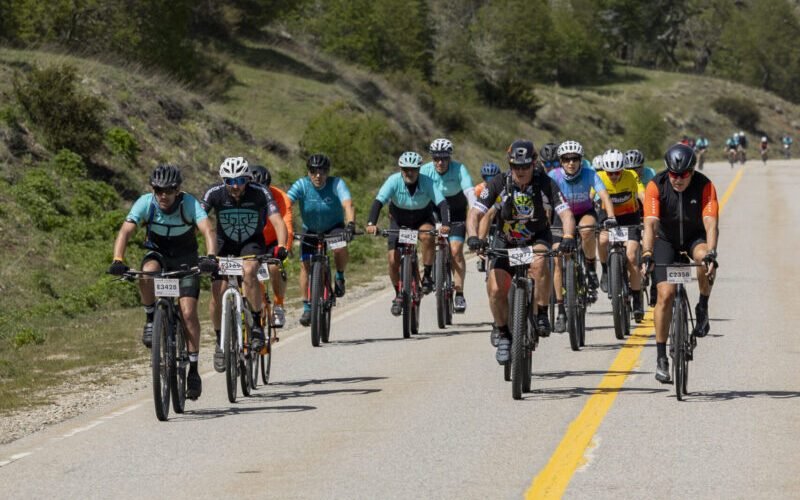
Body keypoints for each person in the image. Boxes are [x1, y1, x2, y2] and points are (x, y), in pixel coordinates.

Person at [109, 164, 218, 400]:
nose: (163, 195)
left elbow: (208, 230)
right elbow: (125, 231)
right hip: (158, 254)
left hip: (185, 260)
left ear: (178, 190)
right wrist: (118, 259)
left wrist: (210, 257)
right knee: (147, 272)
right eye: (158, 190)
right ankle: (151, 318)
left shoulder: (189, 203)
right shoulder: (146, 203)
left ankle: (193, 370)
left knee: (188, 313)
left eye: (169, 190)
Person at [467, 139, 576, 362]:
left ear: (533, 163)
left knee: (539, 264)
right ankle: (503, 333)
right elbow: (475, 213)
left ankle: (542, 312)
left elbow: (566, 214)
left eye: (525, 166)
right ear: (510, 165)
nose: (521, 171)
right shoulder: (498, 182)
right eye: (516, 166)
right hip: (505, 240)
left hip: (536, 237)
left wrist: (567, 237)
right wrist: (474, 237)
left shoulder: (545, 183)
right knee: (495, 289)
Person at [641, 143, 719, 383]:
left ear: (692, 171)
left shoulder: (705, 185)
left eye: (683, 174)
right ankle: (661, 358)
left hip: (695, 238)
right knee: (665, 295)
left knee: (704, 258)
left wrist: (712, 253)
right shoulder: (656, 185)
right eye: (673, 174)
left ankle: (702, 306)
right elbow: (650, 224)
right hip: (667, 240)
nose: (678, 179)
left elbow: (711, 223)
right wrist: (647, 253)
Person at [203, 157, 288, 372]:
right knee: (217, 290)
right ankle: (220, 342)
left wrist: (281, 246)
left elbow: (278, 221)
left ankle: (256, 325)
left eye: (240, 180)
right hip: (223, 245)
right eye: (230, 181)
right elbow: (198, 220)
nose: (235, 186)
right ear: (223, 180)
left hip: (251, 243)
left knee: (249, 271)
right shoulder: (214, 193)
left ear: (248, 179)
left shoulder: (260, 192)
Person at [366, 152, 450, 315]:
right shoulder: (393, 181)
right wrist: (371, 223)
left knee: (427, 236)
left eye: (413, 169)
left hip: (422, 218)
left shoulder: (427, 182)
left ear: (419, 170)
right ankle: (398, 294)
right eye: (405, 169)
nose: (409, 173)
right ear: (401, 169)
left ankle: (427, 275)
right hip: (399, 221)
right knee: (392, 259)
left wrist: (445, 224)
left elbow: (442, 203)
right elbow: (378, 202)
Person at [288, 154, 356, 326]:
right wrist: (286, 228)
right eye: (313, 171)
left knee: (339, 248)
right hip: (310, 229)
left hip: (334, 227)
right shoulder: (302, 185)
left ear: (328, 172)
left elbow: (348, 204)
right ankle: (307, 307)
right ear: (308, 172)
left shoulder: (336, 183)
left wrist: (350, 225)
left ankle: (339, 276)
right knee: (305, 265)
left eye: (323, 171)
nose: (318, 175)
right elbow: (286, 203)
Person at [548, 140, 617, 301]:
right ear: (561, 161)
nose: (571, 163)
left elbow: (605, 196)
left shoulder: (589, 173)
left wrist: (611, 217)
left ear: (581, 160)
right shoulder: (553, 176)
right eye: (566, 159)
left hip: (584, 212)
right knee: (557, 257)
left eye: (575, 158)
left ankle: (591, 267)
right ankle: (561, 305)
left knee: (587, 230)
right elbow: (544, 201)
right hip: (562, 216)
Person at [421, 138, 475, 312]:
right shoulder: (425, 171)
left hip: (456, 212)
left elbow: (470, 192)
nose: (440, 162)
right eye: (436, 158)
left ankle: (459, 293)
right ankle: (428, 274)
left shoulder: (459, 169)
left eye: (444, 158)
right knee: (427, 238)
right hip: (433, 211)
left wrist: (474, 212)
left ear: (450, 157)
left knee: (456, 251)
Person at [595, 149, 646, 321]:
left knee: (631, 257)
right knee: (602, 240)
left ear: (622, 169)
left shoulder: (631, 175)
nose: (614, 176)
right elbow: (590, 198)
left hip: (630, 217)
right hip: (608, 217)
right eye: (610, 173)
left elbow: (642, 195)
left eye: (617, 172)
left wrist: (650, 215)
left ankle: (637, 299)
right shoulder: (599, 177)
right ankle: (605, 270)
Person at [251, 165, 292, 328]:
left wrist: (284, 248)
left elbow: (287, 226)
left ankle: (279, 305)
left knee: (275, 266)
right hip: (253, 241)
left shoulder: (280, 197)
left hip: (274, 240)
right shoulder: (243, 196)